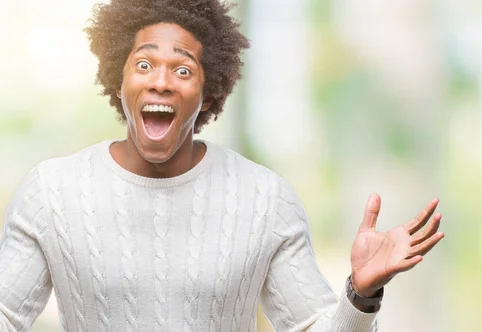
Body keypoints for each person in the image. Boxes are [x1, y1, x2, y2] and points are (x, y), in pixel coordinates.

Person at [0, 0, 445, 331]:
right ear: (120, 81)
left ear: (209, 93)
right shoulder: (52, 193)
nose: (160, 81)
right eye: (144, 63)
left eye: (182, 70)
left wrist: (360, 294)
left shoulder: (263, 199)